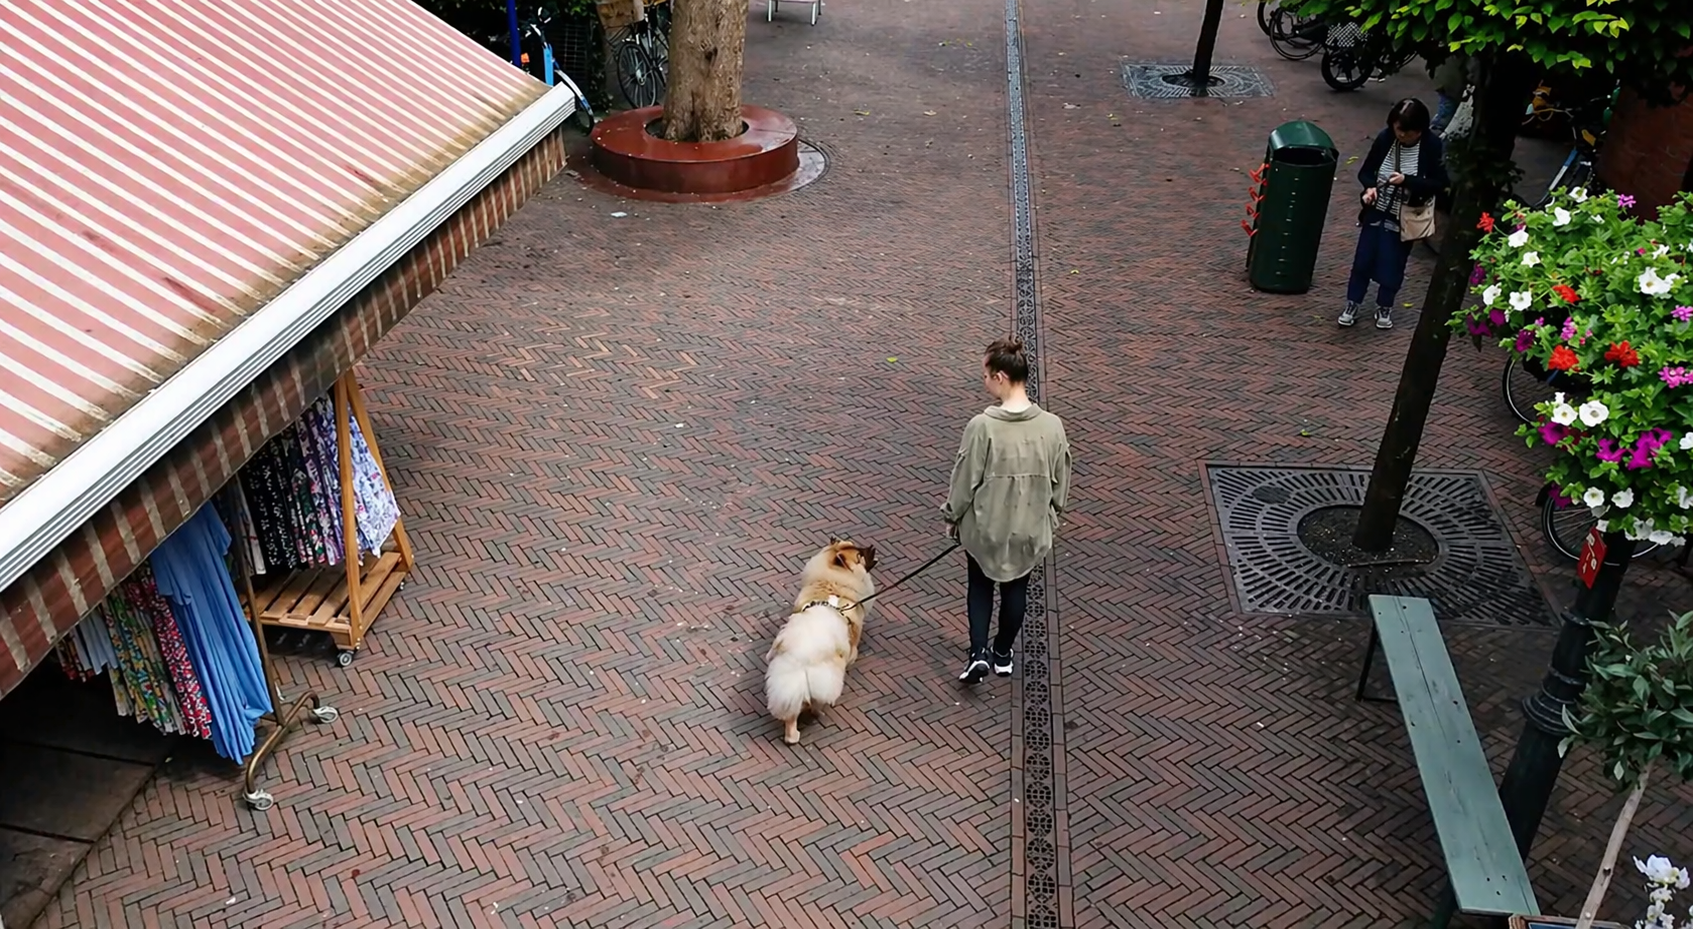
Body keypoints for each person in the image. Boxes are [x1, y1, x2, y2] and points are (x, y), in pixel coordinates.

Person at [941, 338, 1072, 685]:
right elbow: (1062, 483)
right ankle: (1003, 653)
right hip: (1029, 529)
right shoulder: (1052, 427)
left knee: (980, 586)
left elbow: (965, 480)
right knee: (1017, 589)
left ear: (1000, 377)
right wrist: (1051, 517)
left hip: (985, 528)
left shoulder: (982, 427)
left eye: (985, 374)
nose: (983, 380)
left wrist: (953, 517)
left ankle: (977, 653)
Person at [1340, 98, 1449, 331]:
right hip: (1377, 211)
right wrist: (1369, 189)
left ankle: (1385, 305)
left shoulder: (1431, 146)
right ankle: (1352, 303)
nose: (1400, 135)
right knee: (1363, 259)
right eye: (1397, 130)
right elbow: (1367, 172)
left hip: (1405, 216)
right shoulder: (1385, 138)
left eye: (1406, 132)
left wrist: (1407, 181)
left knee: (1393, 262)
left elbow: (1439, 183)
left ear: (1418, 131)